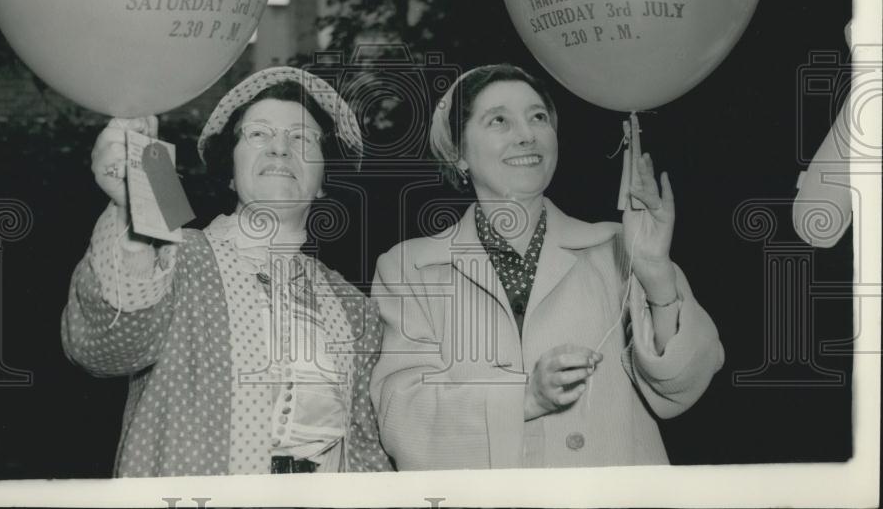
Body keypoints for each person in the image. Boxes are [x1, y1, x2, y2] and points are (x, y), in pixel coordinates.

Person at [370, 64, 724, 469]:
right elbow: (400, 416)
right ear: (459, 153)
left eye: (538, 117)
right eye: (498, 120)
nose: (527, 134)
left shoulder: (617, 247)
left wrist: (657, 273)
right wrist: (525, 398)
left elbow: (684, 385)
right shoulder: (410, 268)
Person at [61, 67, 393, 477]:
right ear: (230, 173)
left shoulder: (351, 306)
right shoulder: (176, 253)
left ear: (324, 179)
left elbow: (365, 448)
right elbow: (104, 350)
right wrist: (137, 211)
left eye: (302, 138)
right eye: (258, 134)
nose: (280, 149)